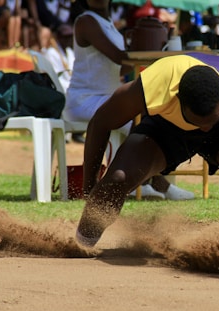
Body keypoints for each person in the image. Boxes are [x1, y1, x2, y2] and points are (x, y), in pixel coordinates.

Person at [74, 53, 219, 248]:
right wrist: (89, 186)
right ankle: (82, 244)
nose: (204, 127)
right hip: (166, 131)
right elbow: (100, 123)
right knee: (117, 178)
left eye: (210, 119)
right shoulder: (154, 86)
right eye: (198, 120)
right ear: (178, 99)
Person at [64, 0, 194, 200]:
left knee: (150, 114)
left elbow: (121, 67)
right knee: (140, 115)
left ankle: (156, 182)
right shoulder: (86, 22)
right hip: (84, 99)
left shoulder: (108, 23)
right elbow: (118, 57)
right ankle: (144, 182)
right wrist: (151, 52)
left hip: (105, 96)